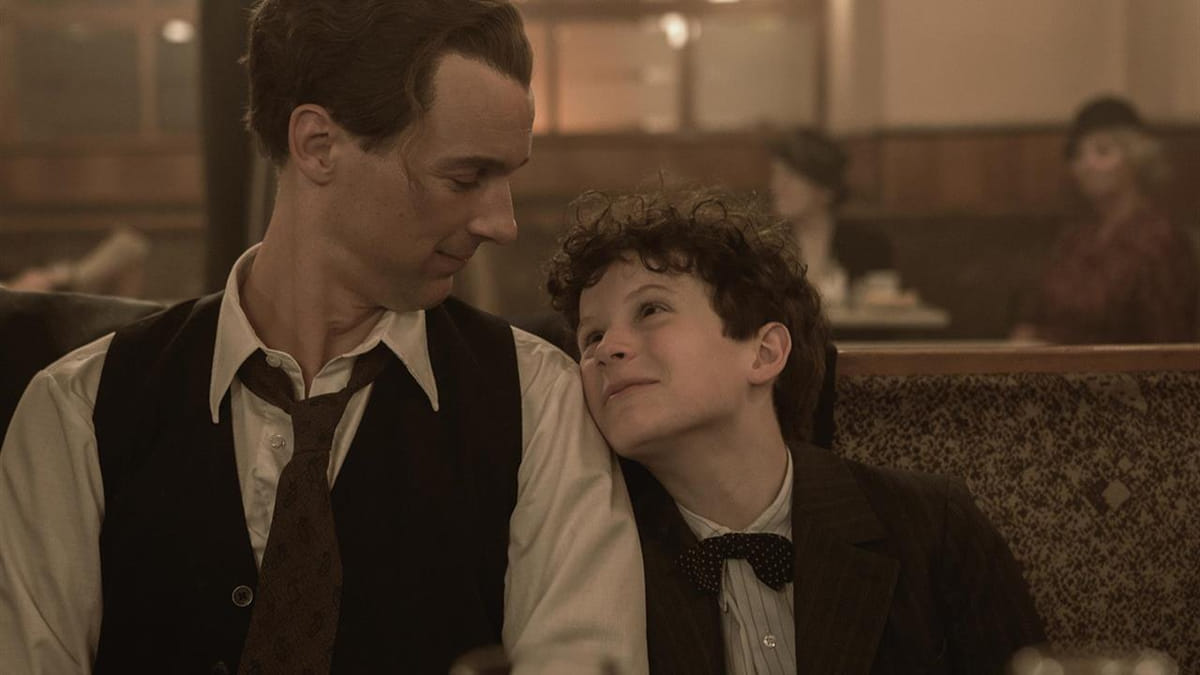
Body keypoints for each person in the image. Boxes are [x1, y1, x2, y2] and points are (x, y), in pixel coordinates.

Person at [0, 1, 647, 673]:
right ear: (317, 145)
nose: (502, 223)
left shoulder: (539, 403)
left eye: (508, 176)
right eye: (465, 177)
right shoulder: (79, 410)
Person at [546, 188, 1046, 674]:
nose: (607, 349)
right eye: (592, 336)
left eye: (650, 309)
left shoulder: (931, 528)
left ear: (764, 353)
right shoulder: (593, 559)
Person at [1014, 95, 1198, 344]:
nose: (1086, 164)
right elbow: (1040, 312)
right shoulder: (1076, 238)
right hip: (1048, 362)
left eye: (1103, 151)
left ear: (1135, 157)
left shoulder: (1161, 241)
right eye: (1078, 154)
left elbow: (1169, 344)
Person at [768, 128, 893, 307]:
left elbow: (884, 309)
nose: (777, 186)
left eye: (791, 177)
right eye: (776, 174)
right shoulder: (766, 247)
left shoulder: (869, 246)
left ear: (826, 189)